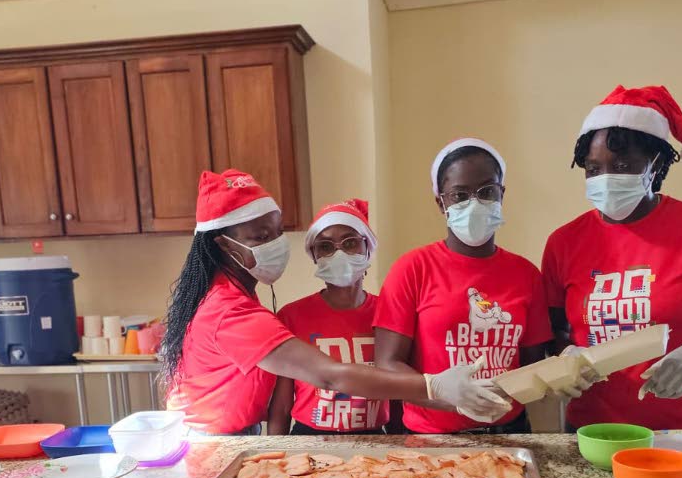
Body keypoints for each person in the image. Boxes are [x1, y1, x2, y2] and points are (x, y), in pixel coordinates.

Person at [160, 170, 510, 435]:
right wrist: (434, 385)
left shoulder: (236, 295)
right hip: (213, 442)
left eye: (278, 232)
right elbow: (327, 376)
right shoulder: (230, 310)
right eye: (262, 237)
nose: (276, 244)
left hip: (241, 434)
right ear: (225, 246)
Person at [541, 85, 682, 431]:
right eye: (593, 169)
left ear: (655, 163)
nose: (606, 178)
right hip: (593, 429)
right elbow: (553, 330)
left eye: (621, 165)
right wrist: (566, 355)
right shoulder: (564, 242)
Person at [374, 138, 575, 434]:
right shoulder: (412, 269)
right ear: (441, 202)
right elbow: (387, 365)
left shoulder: (525, 274)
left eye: (486, 191)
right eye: (460, 195)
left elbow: (531, 364)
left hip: (509, 432)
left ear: (501, 194)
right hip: (432, 439)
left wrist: (566, 363)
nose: (475, 202)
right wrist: (445, 395)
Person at [267, 199, 389, 435]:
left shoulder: (388, 311)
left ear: (368, 249)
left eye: (350, 242)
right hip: (308, 437)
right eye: (325, 246)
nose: (339, 253)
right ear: (315, 256)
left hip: (374, 437)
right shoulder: (292, 316)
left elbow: (397, 397)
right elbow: (281, 404)